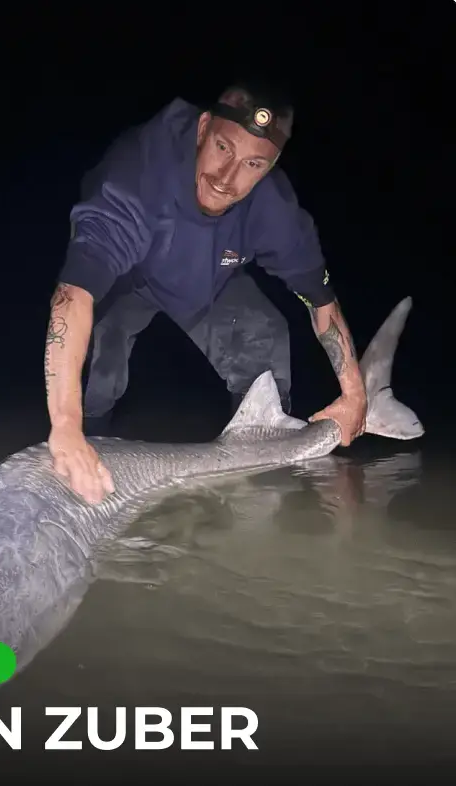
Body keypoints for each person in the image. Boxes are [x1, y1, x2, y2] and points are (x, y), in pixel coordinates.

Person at [43, 79, 367, 504]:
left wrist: (355, 393)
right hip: (127, 281)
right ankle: (87, 457)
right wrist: (65, 425)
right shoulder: (137, 176)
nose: (227, 178)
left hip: (209, 281)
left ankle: (256, 492)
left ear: (271, 168)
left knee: (263, 334)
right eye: (223, 148)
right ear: (202, 129)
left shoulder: (275, 212)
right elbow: (73, 295)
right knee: (93, 369)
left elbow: (320, 302)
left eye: (254, 165)